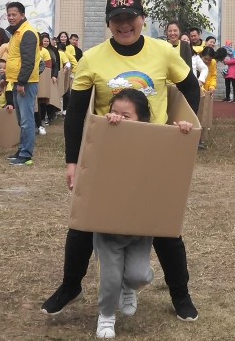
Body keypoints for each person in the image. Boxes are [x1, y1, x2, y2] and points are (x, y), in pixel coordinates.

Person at [41, 0, 201, 322]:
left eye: (131, 18)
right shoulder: (92, 58)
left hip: (153, 154)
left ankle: (181, 295)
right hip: (108, 156)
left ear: (142, 19)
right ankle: (71, 285)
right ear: (109, 23)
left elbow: (190, 87)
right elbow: (75, 113)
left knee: (165, 228)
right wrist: (72, 162)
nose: (124, 25)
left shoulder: (164, 51)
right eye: (117, 19)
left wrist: (184, 124)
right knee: (84, 223)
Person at [94, 88, 194, 339]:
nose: (117, 118)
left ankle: (129, 287)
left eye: (126, 115)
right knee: (110, 278)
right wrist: (109, 127)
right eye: (113, 112)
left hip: (140, 228)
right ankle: (106, 315)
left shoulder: (152, 145)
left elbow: (174, 161)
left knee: (139, 275)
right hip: (108, 227)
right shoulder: (104, 136)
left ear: (142, 121)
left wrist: (182, 133)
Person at [5, 2, 40, 166]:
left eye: (14, 14)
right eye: (9, 15)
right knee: (21, 120)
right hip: (16, 81)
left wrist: (21, 82)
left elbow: (28, 61)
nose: (11, 17)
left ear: (23, 15)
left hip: (26, 83)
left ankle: (26, 155)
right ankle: (21, 150)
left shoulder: (27, 33)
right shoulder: (17, 32)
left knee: (26, 120)